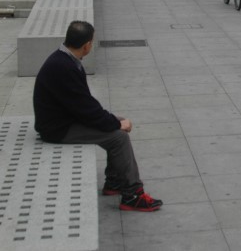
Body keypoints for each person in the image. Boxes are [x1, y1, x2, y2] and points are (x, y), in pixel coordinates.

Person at [33, 21, 162, 212]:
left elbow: (83, 104)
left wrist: (114, 121)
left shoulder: (64, 58)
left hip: (64, 118)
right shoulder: (64, 66)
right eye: (92, 42)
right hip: (58, 128)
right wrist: (114, 124)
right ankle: (133, 195)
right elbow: (85, 108)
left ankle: (114, 182)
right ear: (87, 45)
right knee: (119, 137)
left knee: (117, 123)